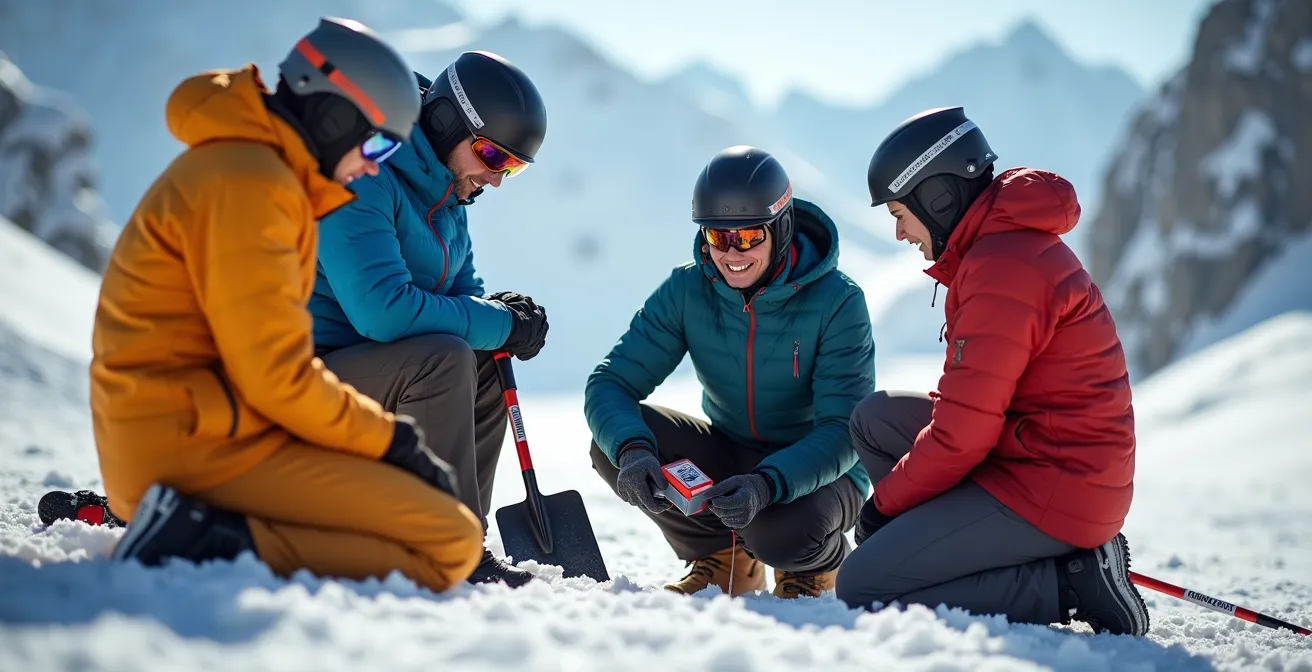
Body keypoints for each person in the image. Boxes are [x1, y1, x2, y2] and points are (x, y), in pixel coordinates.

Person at [90, 17, 487, 594]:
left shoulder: (261, 173)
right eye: (376, 142)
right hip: (186, 445)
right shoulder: (252, 183)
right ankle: (203, 536)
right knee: (446, 540)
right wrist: (390, 442)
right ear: (333, 116)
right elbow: (276, 375)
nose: (376, 164)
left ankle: (224, 529)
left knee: (441, 530)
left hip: (217, 428)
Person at [834, 106, 1149, 636]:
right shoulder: (997, 251)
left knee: (863, 584)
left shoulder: (1004, 269)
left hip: (1057, 485)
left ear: (936, 197)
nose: (899, 233)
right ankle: (940, 552)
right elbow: (968, 410)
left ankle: (1074, 582)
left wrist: (882, 508)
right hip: (1030, 455)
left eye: (899, 213)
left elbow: (963, 433)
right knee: (876, 419)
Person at [585, 145, 875, 599]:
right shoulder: (687, 289)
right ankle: (723, 560)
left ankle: (813, 568)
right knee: (614, 446)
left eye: (748, 237)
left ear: (780, 226)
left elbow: (844, 430)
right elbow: (611, 382)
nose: (732, 253)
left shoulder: (838, 301)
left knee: (782, 534)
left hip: (823, 473)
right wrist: (634, 451)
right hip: (730, 452)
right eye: (718, 238)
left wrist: (768, 483)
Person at [309, 50, 549, 588]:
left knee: (482, 359)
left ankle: (462, 535)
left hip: (367, 376)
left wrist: (501, 318)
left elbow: (465, 297)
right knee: (444, 359)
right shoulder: (365, 171)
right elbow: (383, 312)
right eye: (490, 154)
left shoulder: (450, 198)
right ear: (444, 120)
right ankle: (443, 549)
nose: (497, 178)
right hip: (299, 377)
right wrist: (495, 322)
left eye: (511, 165)